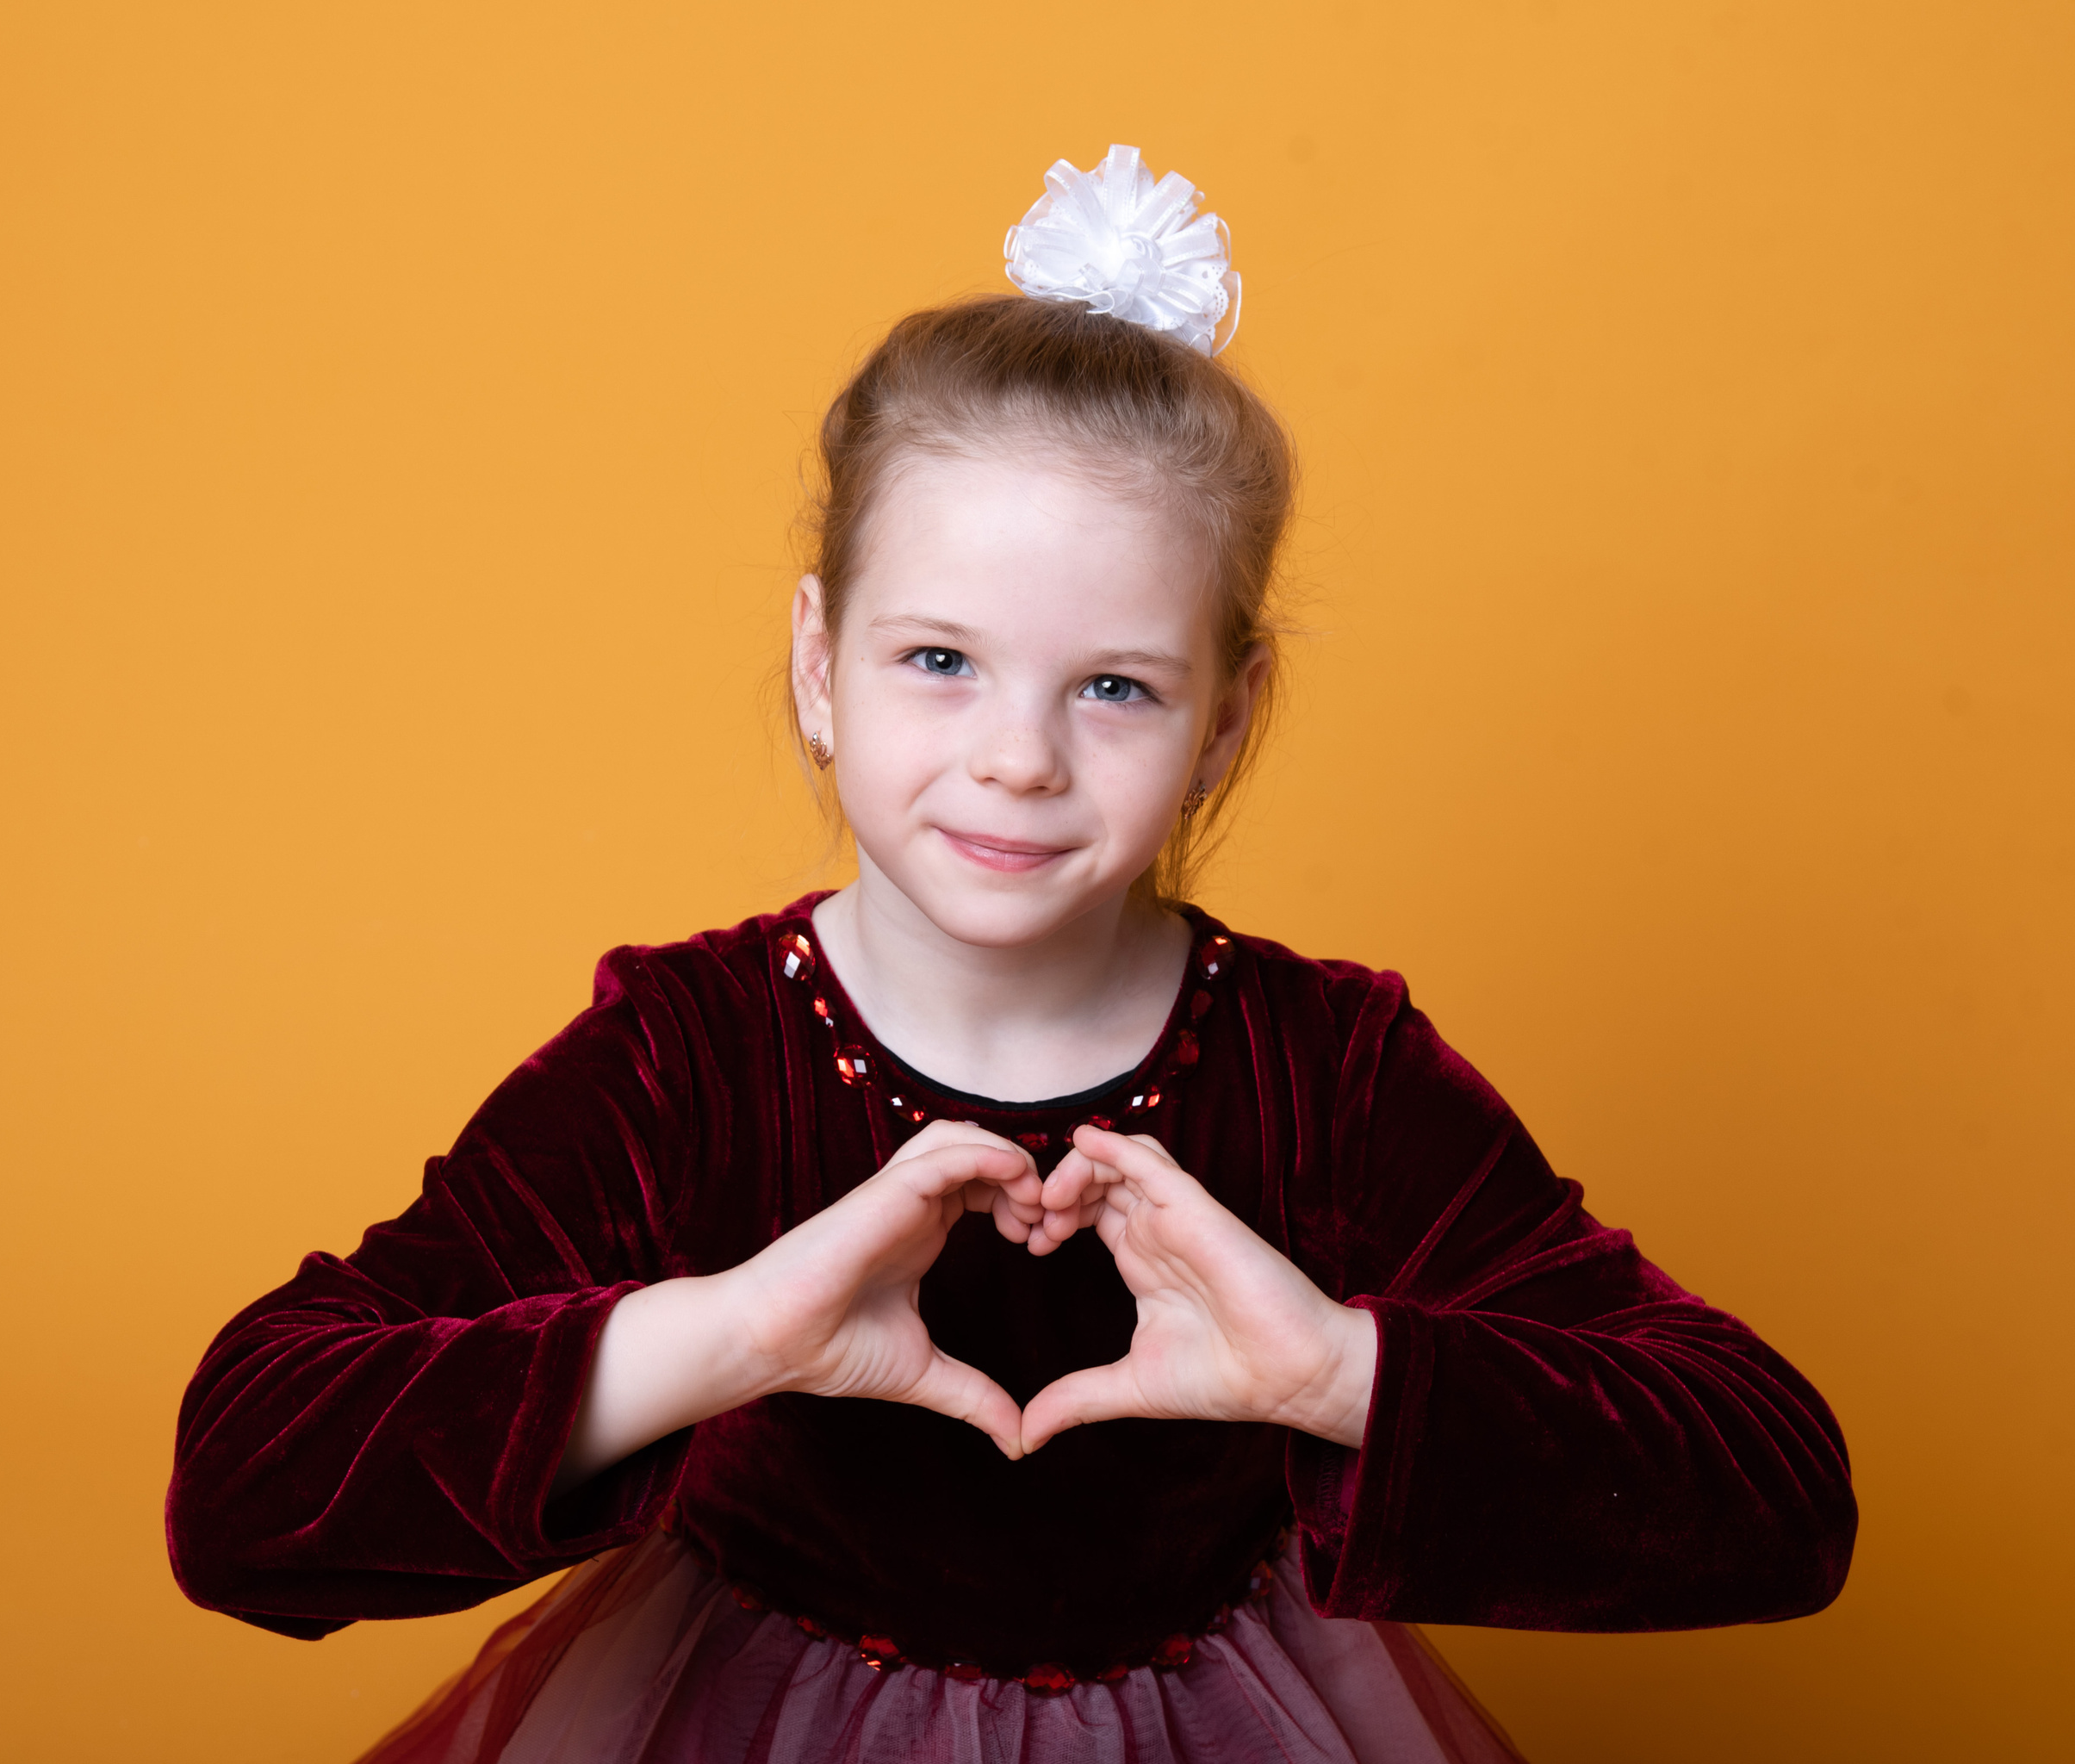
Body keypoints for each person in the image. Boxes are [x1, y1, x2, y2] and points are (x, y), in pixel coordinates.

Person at [166, 147, 1856, 1764]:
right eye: (938, 661)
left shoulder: (1321, 1069)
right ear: (821, 666)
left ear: (1224, 722)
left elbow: (1773, 1492)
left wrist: (1330, 1368)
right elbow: (248, 1484)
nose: (1019, 759)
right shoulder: (692, 1055)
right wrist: (730, 1333)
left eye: (1111, 685)